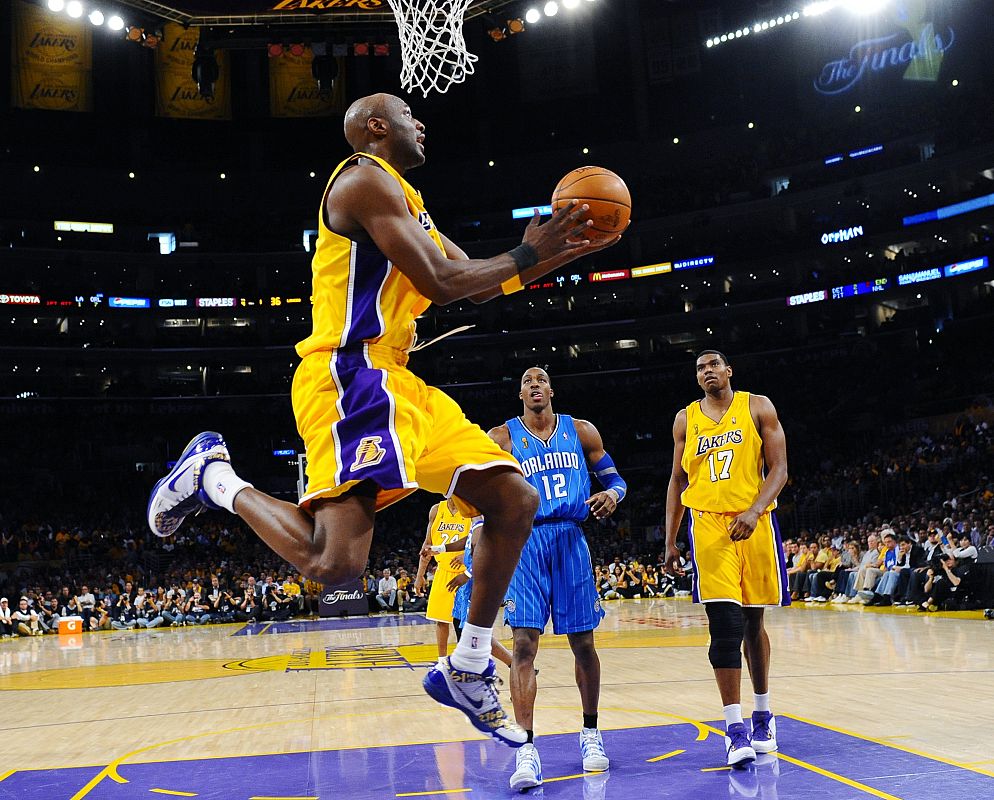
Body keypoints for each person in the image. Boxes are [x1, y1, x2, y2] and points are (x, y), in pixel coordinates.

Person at [146, 93, 620, 748]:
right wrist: (527, 250)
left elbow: (478, 282)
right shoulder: (362, 181)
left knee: (514, 499)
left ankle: (469, 664)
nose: (420, 122)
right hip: (350, 374)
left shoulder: (408, 200)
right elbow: (441, 282)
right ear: (376, 127)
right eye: (406, 114)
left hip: (400, 380)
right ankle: (214, 479)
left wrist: (567, 249)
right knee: (335, 563)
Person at [489, 366, 628, 791]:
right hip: (525, 543)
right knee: (523, 645)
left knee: (583, 643)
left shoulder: (581, 431)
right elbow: (480, 493)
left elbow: (616, 479)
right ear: (520, 394)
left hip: (570, 538)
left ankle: (591, 732)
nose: (534, 384)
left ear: (552, 389)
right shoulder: (502, 437)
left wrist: (611, 494)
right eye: (527, 381)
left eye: (541, 379)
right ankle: (526, 749)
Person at [664, 350, 789, 767]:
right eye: (700, 368)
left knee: (753, 622)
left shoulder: (758, 406)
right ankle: (734, 730)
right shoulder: (685, 419)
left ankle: (763, 714)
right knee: (725, 624)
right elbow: (677, 480)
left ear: (728, 370)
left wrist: (754, 511)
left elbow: (779, 469)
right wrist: (670, 540)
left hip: (754, 523)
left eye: (713, 365)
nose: (707, 372)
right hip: (708, 525)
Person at [414, 498, 471, 656]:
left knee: (465, 624)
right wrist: (420, 575)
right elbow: (427, 545)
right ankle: (442, 661)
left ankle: (467, 659)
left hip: (465, 573)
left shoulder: (471, 508)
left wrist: (467, 554)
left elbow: (480, 539)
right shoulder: (436, 510)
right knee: (441, 620)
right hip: (443, 571)